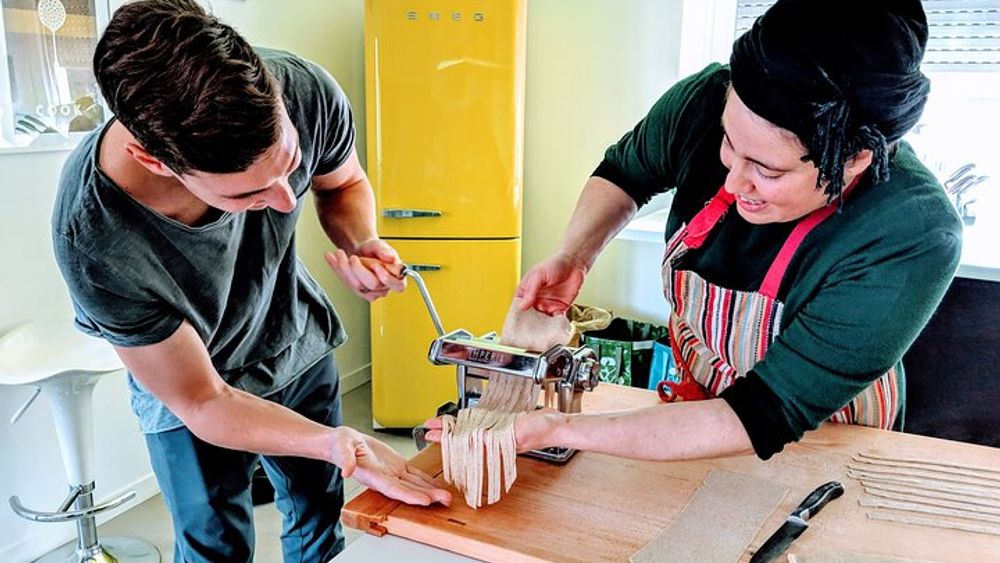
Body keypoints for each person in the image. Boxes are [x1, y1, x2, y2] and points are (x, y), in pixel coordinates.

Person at [429, 0, 962, 462]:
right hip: (692, 415)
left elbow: (767, 411)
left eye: (767, 170)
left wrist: (562, 428)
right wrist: (575, 255)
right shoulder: (707, 100)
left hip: (823, 441)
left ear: (854, 162)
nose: (734, 181)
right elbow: (626, 172)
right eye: (729, 144)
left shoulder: (911, 233)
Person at [51, 1, 450, 561]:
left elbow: (342, 183)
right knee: (216, 546)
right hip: (193, 384)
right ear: (154, 159)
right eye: (245, 194)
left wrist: (360, 242)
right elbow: (202, 400)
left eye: (289, 163)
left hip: (294, 341)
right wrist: (340, 443)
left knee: (319, 519)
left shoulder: (305, 90)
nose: (286, 202)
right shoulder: (94, 239)